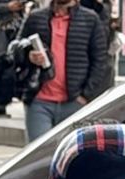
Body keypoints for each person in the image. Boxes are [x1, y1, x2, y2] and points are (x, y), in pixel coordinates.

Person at [18, 0, 106, 142]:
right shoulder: (36, 17)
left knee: (72, 157)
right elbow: (16, 49)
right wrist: (28, 56)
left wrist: (85, 95)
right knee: (39, 158)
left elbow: (100, 60)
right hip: (39, 102)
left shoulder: (90, 19)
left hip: (74, 103)